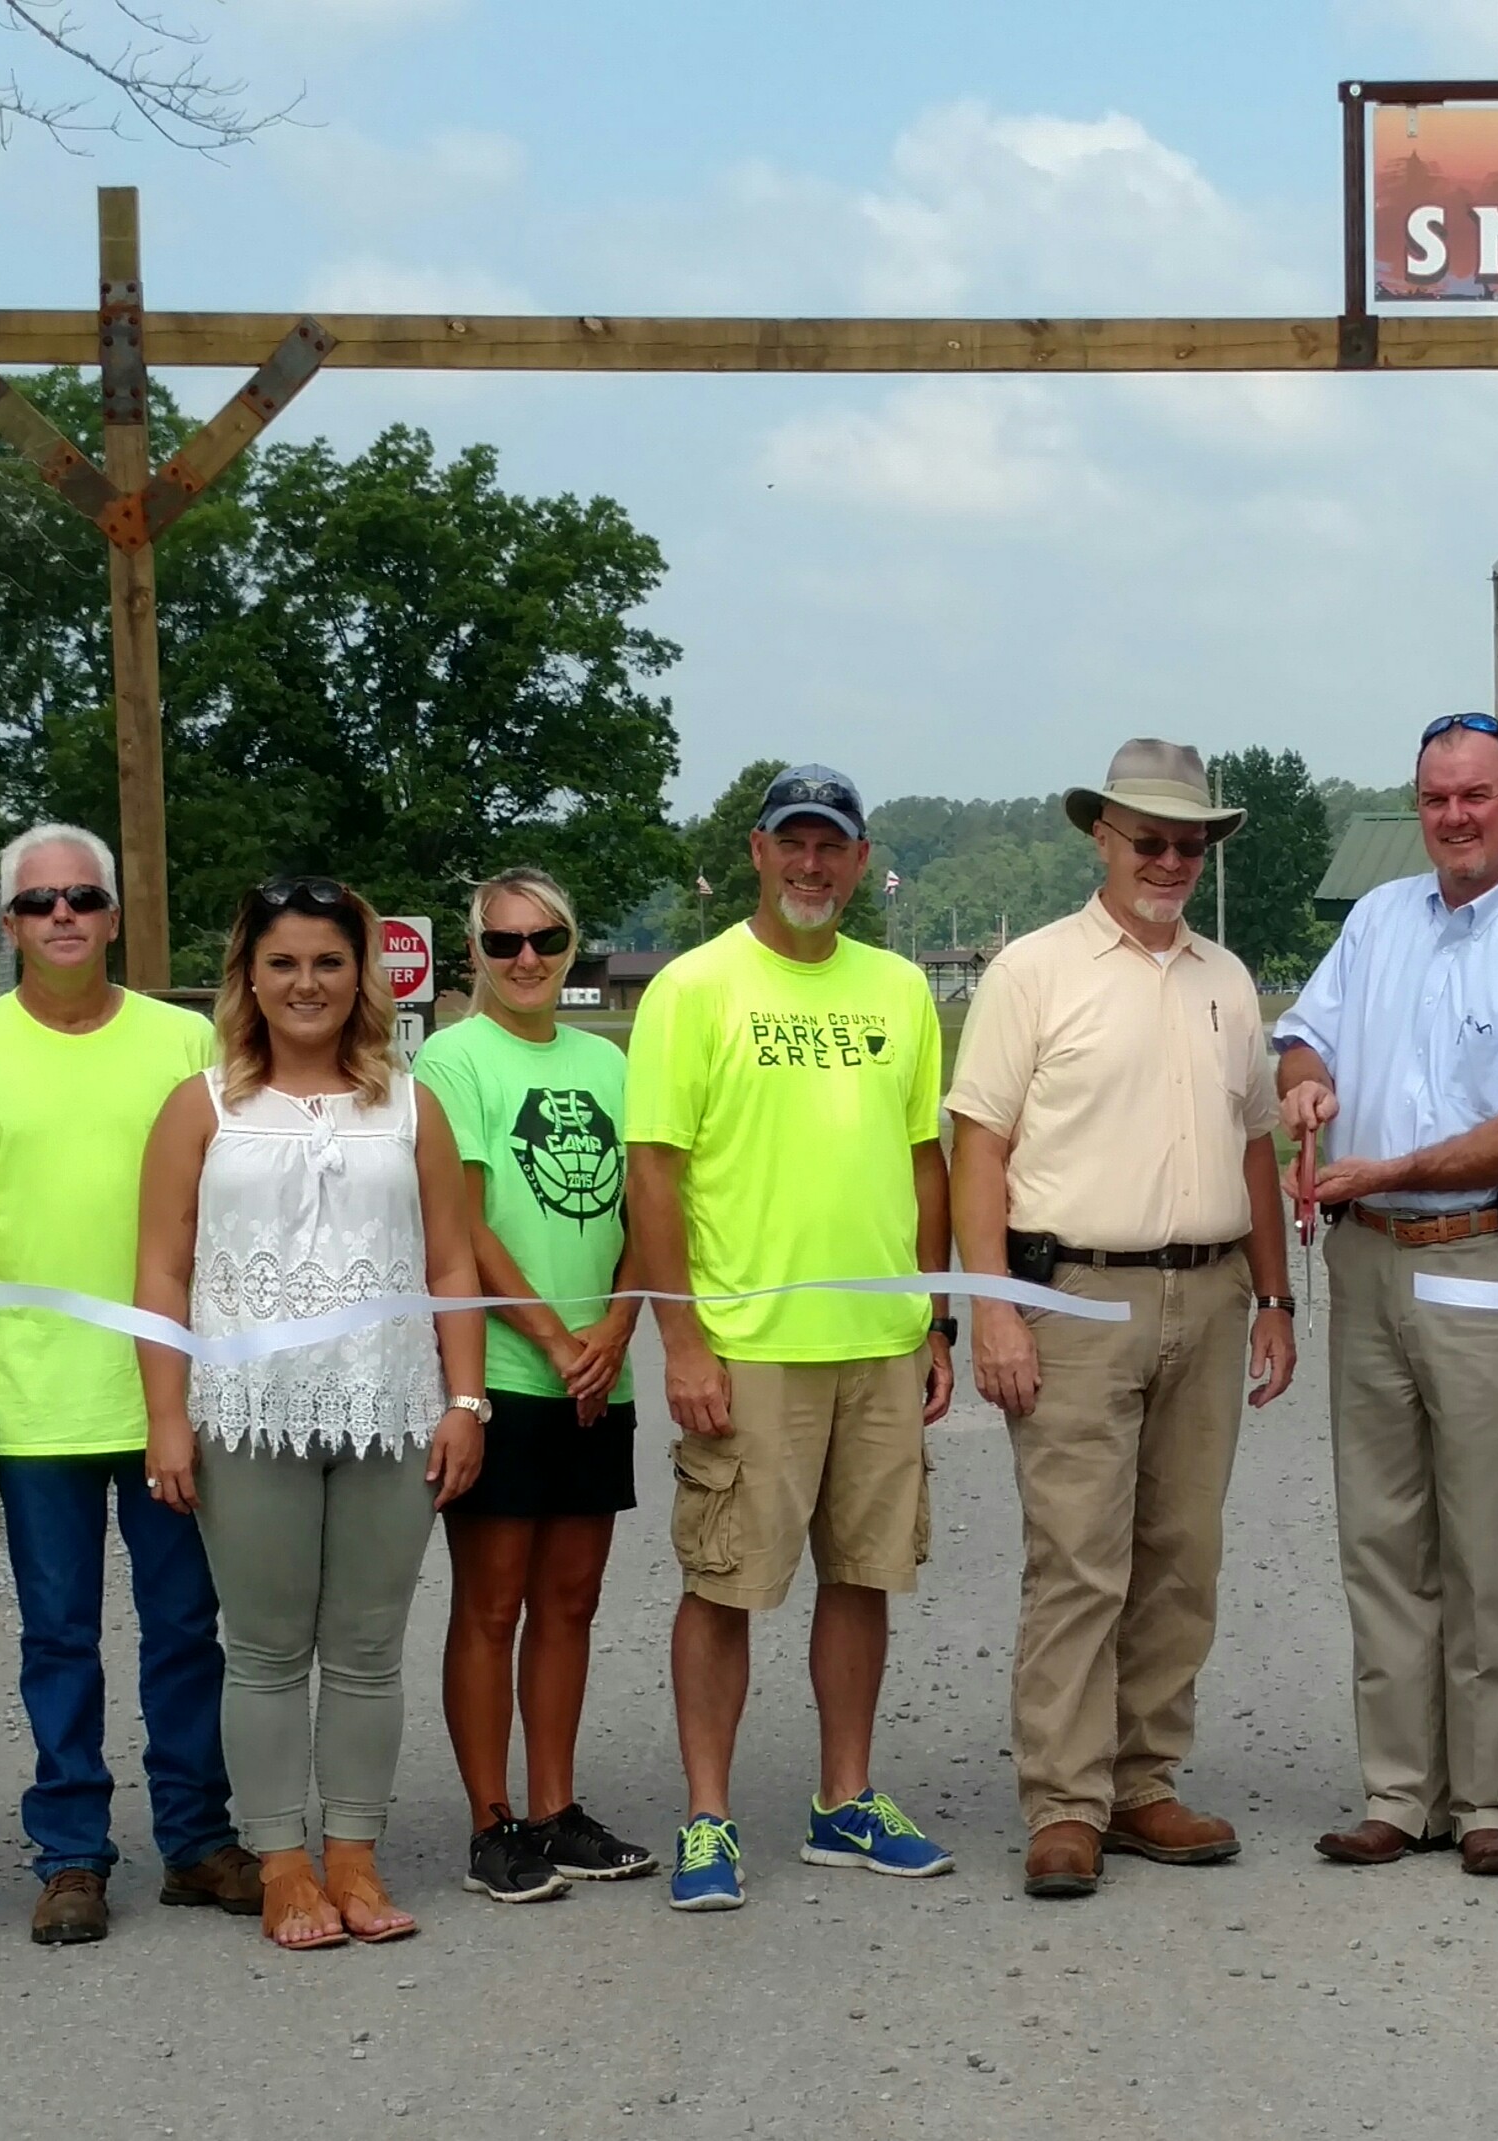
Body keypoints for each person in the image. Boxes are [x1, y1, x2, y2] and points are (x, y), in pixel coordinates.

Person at [950, 740, 1299, 1901]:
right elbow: (978, 1145)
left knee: (1179, 1554)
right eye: (1145, 837)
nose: (1166, 859)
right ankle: (1063, 1799)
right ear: (1098, 835)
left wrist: (1276, 1292)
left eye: (1185, 842)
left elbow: (1256, 1139)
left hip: (1205, 1290)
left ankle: (1145, 1778)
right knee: (1076, 1558)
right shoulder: (1034, 971)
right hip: (1072, 1294)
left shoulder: (1226, 979)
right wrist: (994, 1305)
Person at [1272, 714, 1498, 1881]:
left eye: (1474, 795)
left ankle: (1487, 1799)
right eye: (1434, 798)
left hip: (1479, 1258)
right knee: (1379, 1535)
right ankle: (1394, 1790)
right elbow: (1302, 1037)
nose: (1453, 816)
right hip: (1364, 1258)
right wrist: (1308, 1089)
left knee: (1483, 1536)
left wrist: (1394, 1167)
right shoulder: (1374, 921)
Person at [0, 825, 250, 1945]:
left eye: (83, 898)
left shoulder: (180, 1036)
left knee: (183, 1625)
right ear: (8, 922)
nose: (62, 916)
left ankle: (196, 1839)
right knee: (56, 1633)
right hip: (37, 1396)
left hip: (168, 1388)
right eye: (39, 900)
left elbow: (220, 1200)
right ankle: (71, 1854)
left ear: (113, 916)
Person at [135, 876, 489, 1951]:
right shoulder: (200, 1105)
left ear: (362, 976)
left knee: (370, 1646)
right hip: (246, 1416)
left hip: (387, 1407)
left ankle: (354, 1850)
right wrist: (165, 1417)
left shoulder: (411, 1103)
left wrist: (464, 1397)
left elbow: (451, 1259)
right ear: (247, 974)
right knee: (266, 1648)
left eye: (328, 962)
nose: (305, 983)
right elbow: (158, 1267)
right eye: (282, 961)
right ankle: (281, 1859)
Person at [628, 764, 958, 1914]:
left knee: (862, 1574)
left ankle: (843, 1800)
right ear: (758, 853)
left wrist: (934, 1317)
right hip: (748, 1343)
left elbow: (925, 1158)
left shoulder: (899, 989)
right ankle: (707, 1817)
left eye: (833, 846)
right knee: (725, 1579)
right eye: (791, 843)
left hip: (876, 1338)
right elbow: (653, 1175)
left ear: (859, 862)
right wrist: (681, 1343)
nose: (811, 865)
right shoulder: (693, 986)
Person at [414, 867, 655, 1904]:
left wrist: (612, 1325)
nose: (525, 959)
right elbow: (463, 1224)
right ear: (475, 950)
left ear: (571, 945)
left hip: (601, 1371)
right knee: (492, 1601)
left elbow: (646, 1207)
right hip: (510, 1373)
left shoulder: (607, 1061)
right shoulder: (451, 1058)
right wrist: (555, 1341)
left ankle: (555, 1806)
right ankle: (490, 1818)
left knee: (571, 1597)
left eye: (544, 939)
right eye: (503, 940)